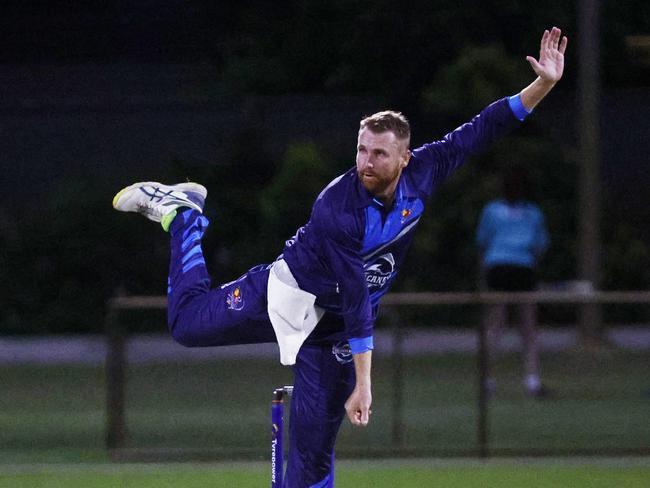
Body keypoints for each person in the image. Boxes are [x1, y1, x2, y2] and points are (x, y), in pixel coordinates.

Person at [113, 27, 567, 487]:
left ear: (405, 157)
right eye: (361, 150)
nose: (366, 162)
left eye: (379, 154)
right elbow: (356, 297)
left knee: (312, 459)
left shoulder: (425, 171)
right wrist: (365, 384)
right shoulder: (338, 207)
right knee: (186, 326)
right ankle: (184, 217)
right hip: (288, 295)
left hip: (335, 329)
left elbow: (482, 128)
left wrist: (544, 84)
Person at [476, 164, 551, 398]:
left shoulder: (491, 211)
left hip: (498, 267)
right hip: (523, 268)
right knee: (528, 326)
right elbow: (541, 246)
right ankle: (532, 380)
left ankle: (487, 381)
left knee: (494, 325)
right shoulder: (533, 212)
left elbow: (482, 241)